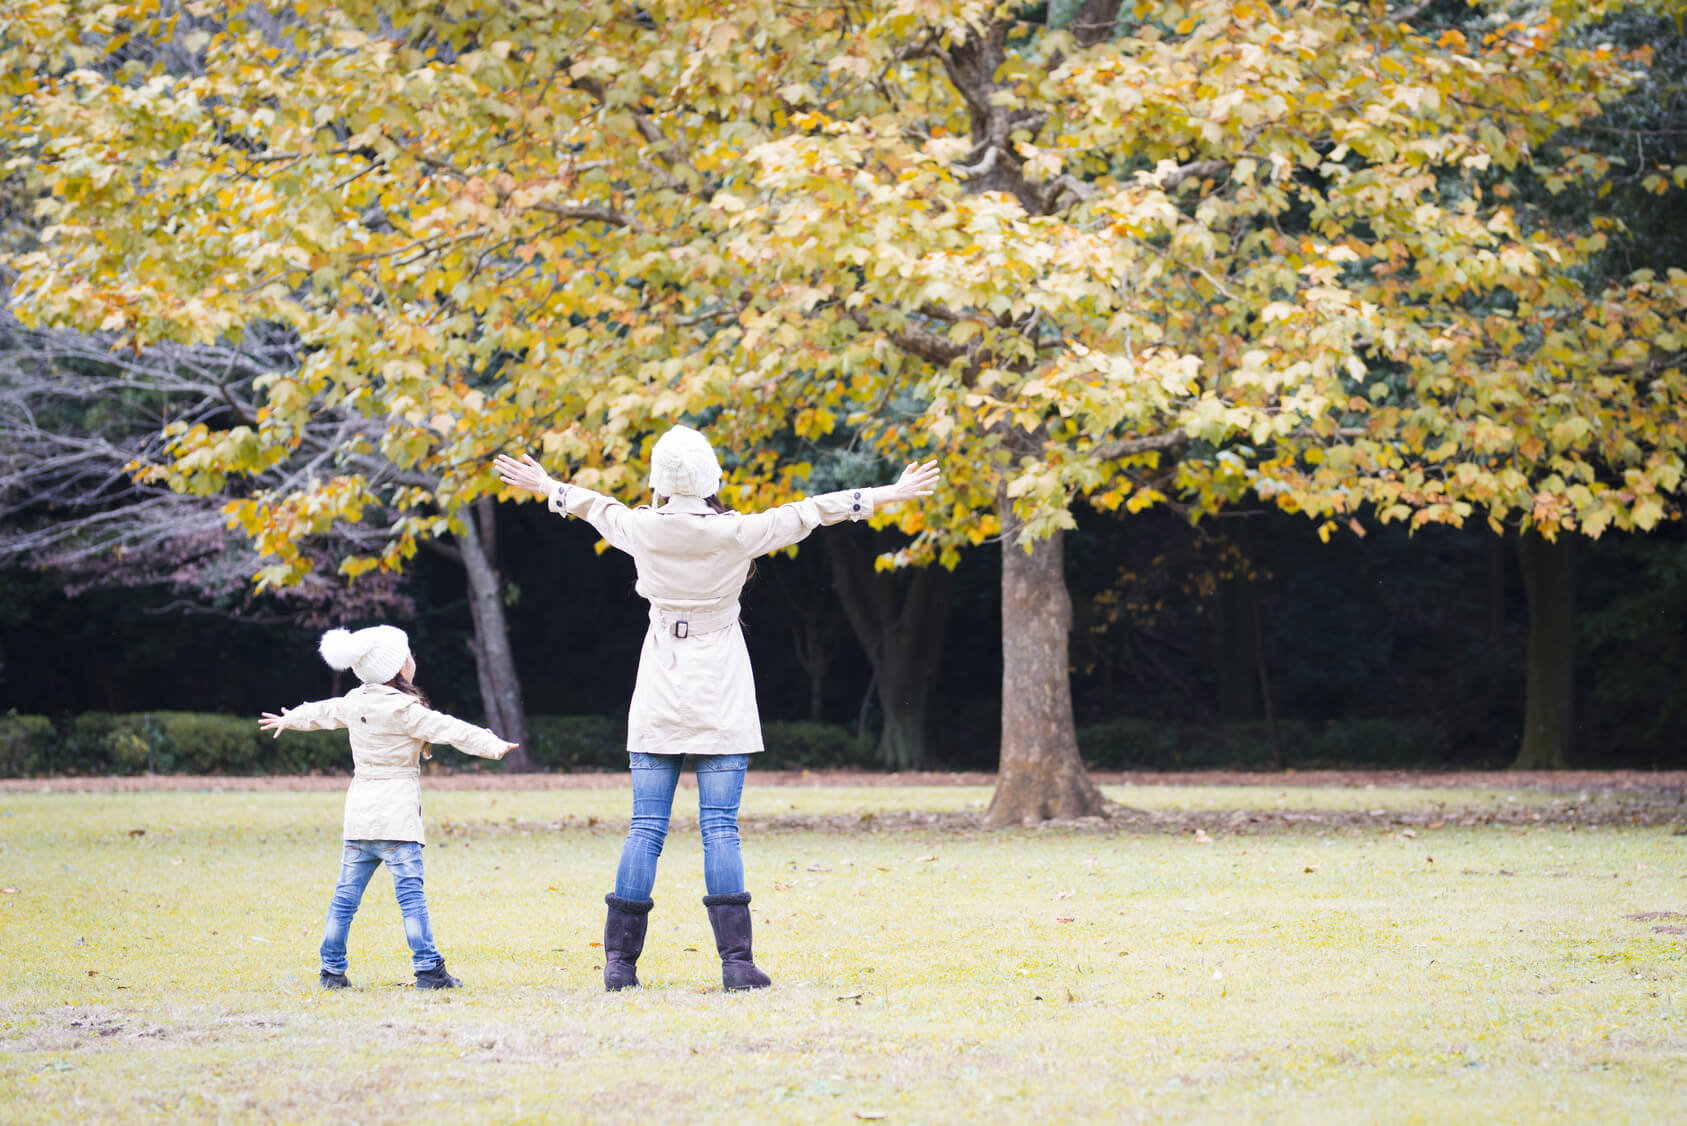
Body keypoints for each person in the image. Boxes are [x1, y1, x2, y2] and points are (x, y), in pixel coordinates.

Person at [495, 427, 940, 992]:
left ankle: (619, 965)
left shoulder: (640, 527)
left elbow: (590, 506)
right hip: (721, 689)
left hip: (660, 684)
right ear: (711, 480)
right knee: (720, 829)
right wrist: (888, 493)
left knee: (645, 828)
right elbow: (810, 512)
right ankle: (736, 963)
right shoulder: (736, 533)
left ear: (658, 481)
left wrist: (544, 485)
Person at [259, 625, 516, 990]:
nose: (412, 659)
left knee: (344, 898)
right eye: (407, 654)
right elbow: (451, 729)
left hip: (360, 819)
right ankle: (428, 970)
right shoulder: (404, 709)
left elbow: (322, 712)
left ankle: (331, 971)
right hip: (397, 821)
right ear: (397, 668)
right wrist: (492, 744)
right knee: (411, 898)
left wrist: (289, 718)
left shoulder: (354, 701)